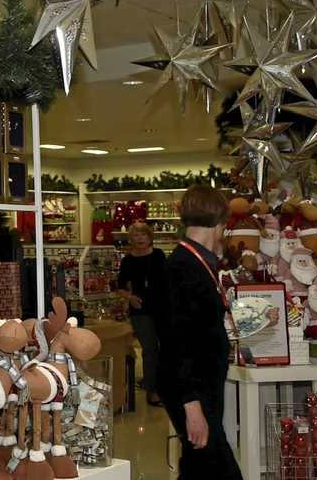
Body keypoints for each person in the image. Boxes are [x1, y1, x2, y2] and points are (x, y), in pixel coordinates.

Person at [157, 185, 242, 479]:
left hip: (200, 386)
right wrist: (192, 406)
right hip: (192, 390)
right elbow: (175, 342)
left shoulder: (194, 262)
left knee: (199, 466)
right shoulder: (183, 267)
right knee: (216, 466)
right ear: (220, 224)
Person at [116, 222, 165, 406]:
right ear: (131, 239)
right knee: (150, 349)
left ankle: (162, 387)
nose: (140, 238)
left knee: (164, 348)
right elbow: (120, 287)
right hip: (140, 310)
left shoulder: (159, 255)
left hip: (162, 308)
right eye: (136, 235)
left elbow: (169, 280)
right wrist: (130, 297)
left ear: (149, 237)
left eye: (143, 234)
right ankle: (152, 392)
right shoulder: (128, 260)